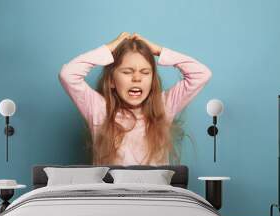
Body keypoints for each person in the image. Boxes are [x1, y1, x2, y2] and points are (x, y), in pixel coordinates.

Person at [59, 32, 212, 165]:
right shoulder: (99, 110)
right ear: (111, 81)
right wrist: (109, 48)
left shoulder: (164, 106)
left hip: (154, 197)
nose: (137, 78)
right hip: (112, 197)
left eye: (145, 72)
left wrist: (159, 51)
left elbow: (201, 74)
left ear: (152, 81)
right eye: (127, 72)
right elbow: (68, 75)